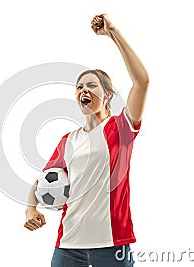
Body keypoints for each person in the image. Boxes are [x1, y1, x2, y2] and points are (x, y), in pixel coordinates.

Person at [24, 13, 149, 267]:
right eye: (79, 86)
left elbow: (142, 81)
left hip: (112, 245)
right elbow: (42, 180)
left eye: (92, 85)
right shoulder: (68, 140)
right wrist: (30, 208)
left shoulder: (120, 128)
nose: (83, 90)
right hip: (68, 246)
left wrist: (113, 33)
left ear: (107, 95)